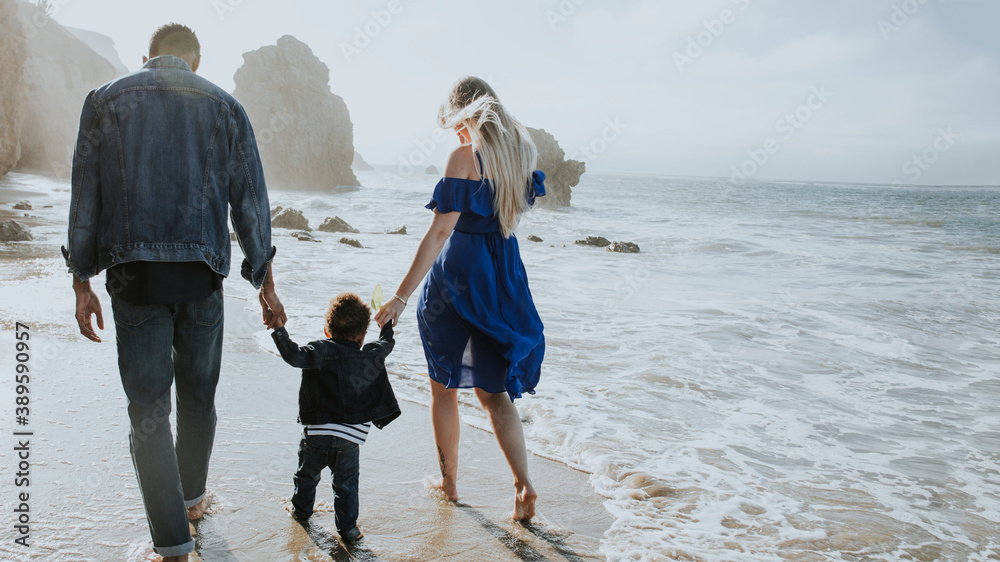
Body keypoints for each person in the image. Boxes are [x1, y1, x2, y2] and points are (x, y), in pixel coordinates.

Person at [63, 23, 285, 562]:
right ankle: (190, 500)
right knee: (199, 398)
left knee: (147, 411)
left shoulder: (106, 100)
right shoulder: (225, 107)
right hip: (203, 278)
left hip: (134, 279)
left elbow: (84, 194)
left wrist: (81, 281)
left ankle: (173, 546)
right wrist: (266, 283)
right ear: (196, 62)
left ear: (147, 57)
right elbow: (250, 202)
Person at [373, 76, 546, 521]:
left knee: (443, 387)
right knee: (494, 394)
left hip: (456, 282)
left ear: (465, 112)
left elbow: (440, 231)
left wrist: (398, 296)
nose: (453, 132)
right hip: (503, 280)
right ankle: (523, 486)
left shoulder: (463, 158)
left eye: (454, 121)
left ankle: (449, 484)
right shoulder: (521, 155)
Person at [269, 293, 400, 542]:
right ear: (362, 335)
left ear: (328, 330)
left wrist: (279, 328)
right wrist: (386, 326)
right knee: (346, 485)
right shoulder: (369, 353)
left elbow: (293, 355)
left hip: (315, 436)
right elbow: (387, 345)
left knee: (306, 476)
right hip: (349, 440)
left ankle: (301, 511)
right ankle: (348, 529)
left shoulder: (319, 350)